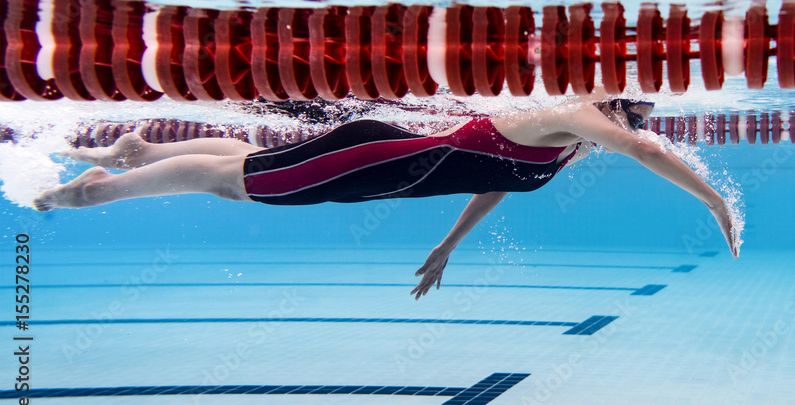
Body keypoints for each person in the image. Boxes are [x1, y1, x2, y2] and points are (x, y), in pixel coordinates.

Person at [34, 98, 739, 298]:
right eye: (641, 105)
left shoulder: (577, 143)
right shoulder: (580, 114)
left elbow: (494, 178)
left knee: (254, 167)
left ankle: (141, 153)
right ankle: (98, 191)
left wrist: (445, 246)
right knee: (236, 184)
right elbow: (647, 151)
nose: (646, 121)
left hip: (376, 168)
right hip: (372, 155)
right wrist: (715, 203)